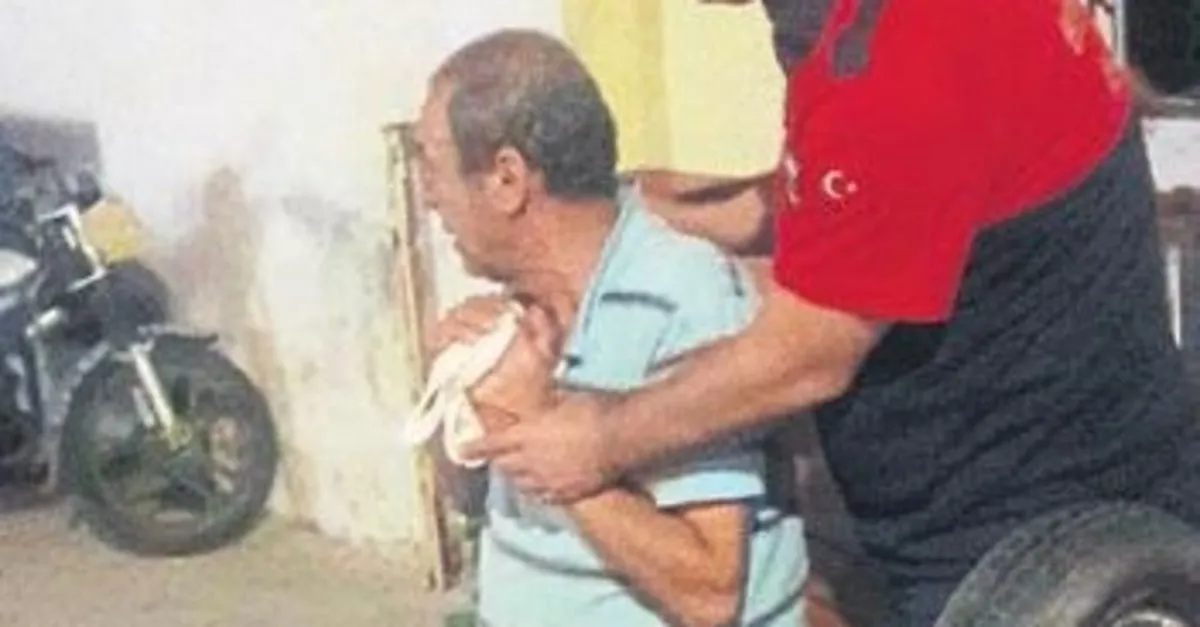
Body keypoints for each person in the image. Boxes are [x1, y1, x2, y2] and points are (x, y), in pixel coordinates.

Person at [455, 0, 1200, 625]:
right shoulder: (844, 27)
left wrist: (597, 440)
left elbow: (809, 354)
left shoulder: (901, 54)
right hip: (994, 483)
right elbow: (860, 197)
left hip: (1031, 533)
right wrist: (636, 212)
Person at [416, 29, 806, 627]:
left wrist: (531, 420)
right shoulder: (527, 303)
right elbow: (471, 502)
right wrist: (463, 399)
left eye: (432, 164)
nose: (428, 197)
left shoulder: (678, 297)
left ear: (507, 178)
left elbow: (708, 593)